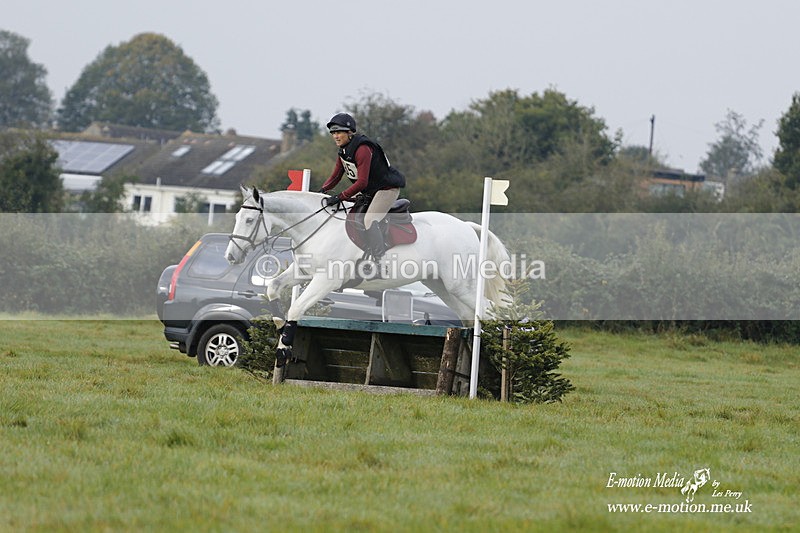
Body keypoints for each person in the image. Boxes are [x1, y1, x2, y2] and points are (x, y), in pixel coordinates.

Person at [319, 112, 405, 260]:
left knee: (369, 220)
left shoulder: (362, 149)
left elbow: (362, 182)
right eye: (333, 133)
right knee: (345, 213)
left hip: (386, 189)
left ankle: (380, 260)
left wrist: (340, 196)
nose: (335, 136)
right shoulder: (344, 151)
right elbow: (335, 177)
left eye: (339, 132)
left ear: (349, 133)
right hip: (370, 191)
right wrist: (321, 191)